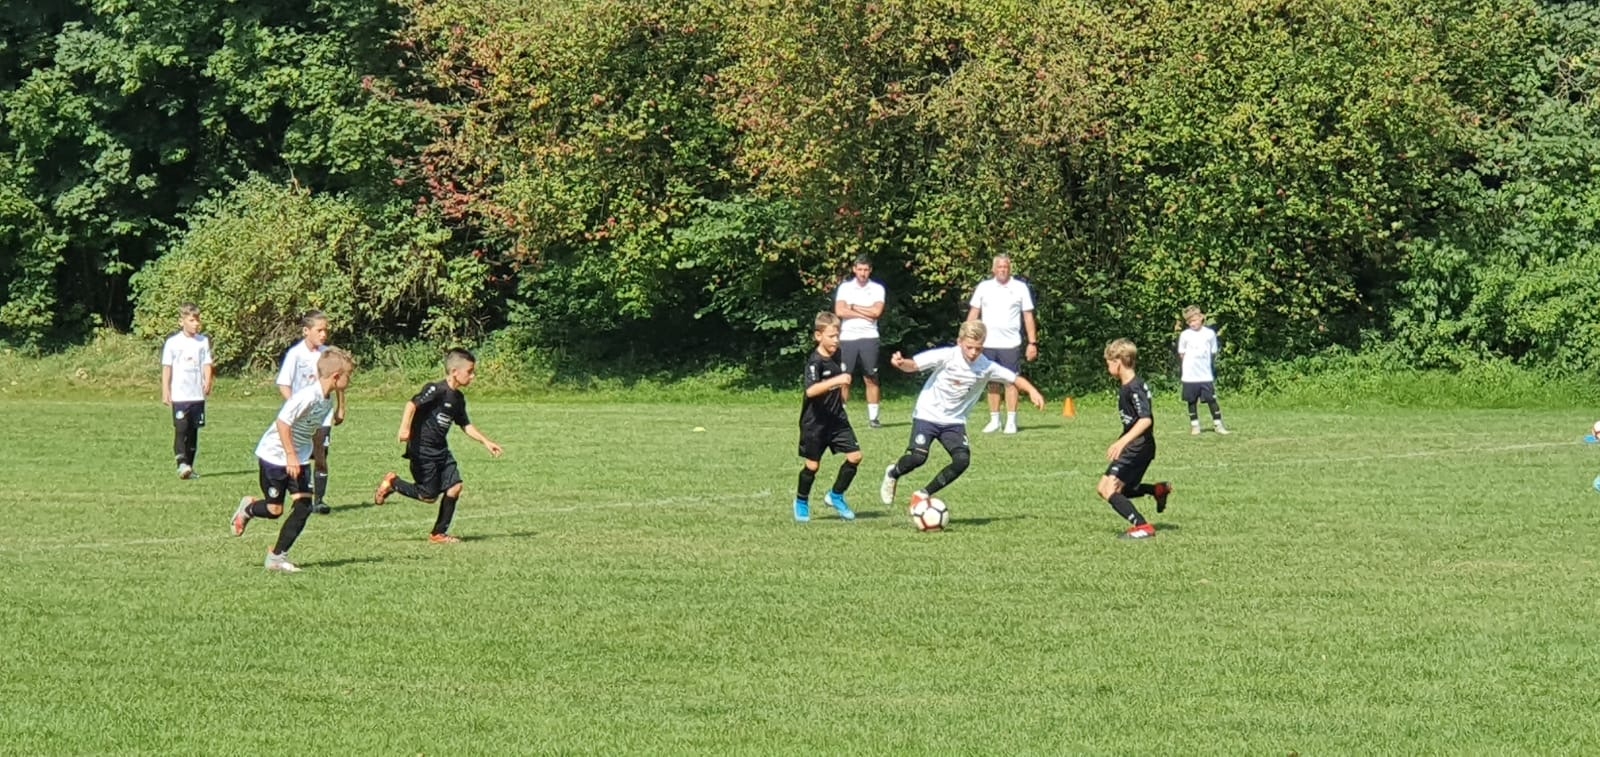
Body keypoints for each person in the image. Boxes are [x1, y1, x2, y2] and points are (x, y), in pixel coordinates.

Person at [879, 321, 1045, 510]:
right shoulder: (947, 356)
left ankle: (923, 494)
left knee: (962, 461)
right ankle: (893, 473)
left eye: (978, 348)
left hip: (954, 421)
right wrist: (901, 364)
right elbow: (914, 365)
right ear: (959, 342)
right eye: (969, 347)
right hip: (927, 414)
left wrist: (1032, 391)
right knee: (918, 458)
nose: (973, 353)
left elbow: (1014, 378)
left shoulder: (986, 366)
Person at [230, 348, 356, 572]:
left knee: (304, 506)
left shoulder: (326, 401)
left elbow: (314, 430)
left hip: (300, 458)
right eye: (349, 375)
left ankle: (276, 558)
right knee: (274, 510)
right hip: (274, 456)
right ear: (336, 376)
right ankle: (248, 508)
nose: (351, 380)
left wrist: (317, 457)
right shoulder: (306, 397)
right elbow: (283, 423)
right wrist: (290, 456)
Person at [372, 349, 504, 543]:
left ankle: (438, 533)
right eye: (469, 371)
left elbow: (465, 425)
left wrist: (486, 441)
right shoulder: (436, 390)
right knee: (428, 496)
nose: (473, 376)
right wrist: (404, 429)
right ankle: (393, 483)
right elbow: (411, 405)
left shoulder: (458, 399)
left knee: (455, 487)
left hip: (441, 450)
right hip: (422, 451)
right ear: (454, 372)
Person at [1098, 338, 1172, 540]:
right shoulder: (1127, 386)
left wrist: (1122, 442)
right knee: (1105, 488)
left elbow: (1145, 419)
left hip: (1138, 447)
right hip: (1134, 445)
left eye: (1108, 363)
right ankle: (1157, 490)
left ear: (1118, 362)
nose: (1107, 367)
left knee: (1109, 489)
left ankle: (1143, 527)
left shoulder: (1134, 388)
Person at [276, 311, 346, 514]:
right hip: (302, 417)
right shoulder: (295, 354)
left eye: (326, 330)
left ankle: (319, 500)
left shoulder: (328, 354)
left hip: (322, 415)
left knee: (321, 455)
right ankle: (298, 495)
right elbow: (284, 383)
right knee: (301, 454)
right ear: (306, 331)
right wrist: (295, 407)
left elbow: (340, 382)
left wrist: (341, 407)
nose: (324, 334)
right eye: (319, 330)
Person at [794, 312, 860, 522]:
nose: (836, 340)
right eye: (831, 336)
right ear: (818, 336)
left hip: (837, 419)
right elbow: (811, 391)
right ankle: (801, 501)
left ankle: (836, 495)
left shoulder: (838, 355)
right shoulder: (815, 362)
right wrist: (837, 381)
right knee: (813, 465)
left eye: (837, 335)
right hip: (815, 423)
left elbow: (844, 381)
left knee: (855, 456)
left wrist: (843, 396)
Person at [966, 254, 1038, 434]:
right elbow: (974, 312)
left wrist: (1032, 342)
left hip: (1010, 344)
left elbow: (1028, 316)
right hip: (987, 343)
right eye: (999, 267)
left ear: (1010, 269)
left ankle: (1011, 421)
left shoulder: (1020, 288)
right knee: (991, 381)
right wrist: (967, 337)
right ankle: (994, 420)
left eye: (1005, 267)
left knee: (1010, 381)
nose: (1003, 270)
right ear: (994, 269)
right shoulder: (984, 287)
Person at [160, 303, 214, 479]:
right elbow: (167, 368)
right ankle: (181, 462)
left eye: (197, 320)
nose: (196, 324)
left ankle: (189, 467)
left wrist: (208, 380)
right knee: (181, 427)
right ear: (181, 322)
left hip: (196, 394)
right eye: (191, 320)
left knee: (193, 431)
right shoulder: (173, 343)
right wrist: (165, 389)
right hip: (180, 394)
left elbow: (207, 363)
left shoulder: (202, 341)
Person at [834, 255, 887, 428]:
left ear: (870, 270)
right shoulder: (845, 288)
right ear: (854, 269)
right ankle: (840, 417)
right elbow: (840, 311)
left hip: (869, 337)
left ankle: (874, 418)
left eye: (866, 270)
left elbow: (876, 312)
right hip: (847, 337)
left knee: (870, 377)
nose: (862, 273)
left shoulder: (877, 288)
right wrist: (866, 313)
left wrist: (854, 307)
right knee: (844, 377)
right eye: (860, 269)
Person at [1177, 305, 1229, 435]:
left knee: (1211, 400)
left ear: (1201, 318)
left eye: (1195, 320)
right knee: (1191, 401)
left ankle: (1218, 424)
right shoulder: (1185, 335)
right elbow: (1182, 353)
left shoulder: (1209, 334)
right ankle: (1195, 426)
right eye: (1190, 322)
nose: (1193, 324)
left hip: (1205, 375)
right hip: (1190, 376)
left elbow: (1213, 352)